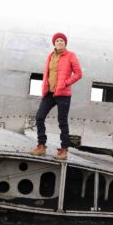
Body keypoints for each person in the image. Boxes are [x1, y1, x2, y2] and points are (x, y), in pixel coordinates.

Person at [30, 32, 82, 160]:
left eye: (62, 41)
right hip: (50, 93)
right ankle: (41, 146)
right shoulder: (51, 56)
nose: (59, 42)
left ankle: (64, 150)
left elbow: (78, 74)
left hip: (63, 94)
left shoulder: (70, 55)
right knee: (39, 117)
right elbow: (47, 73)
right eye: (57, 41)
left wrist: (66, 83)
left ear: (65, 43)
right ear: (54, 43)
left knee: (62, 121)